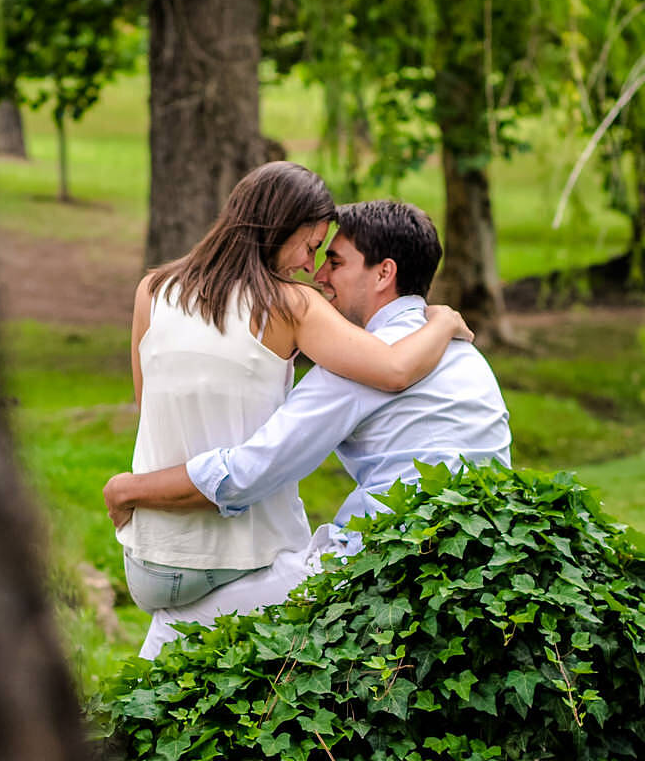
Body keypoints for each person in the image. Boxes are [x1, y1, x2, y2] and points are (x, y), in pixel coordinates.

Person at [104, 200, 512, 655]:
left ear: (384, 273)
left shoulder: (358, 367)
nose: (318, 277)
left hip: (387, 566)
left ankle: (119, 727)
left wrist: (131, 490)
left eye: (334, 262)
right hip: (483, 554)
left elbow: (248, 474)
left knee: (175, 626)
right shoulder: (463, 352)